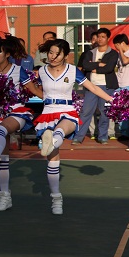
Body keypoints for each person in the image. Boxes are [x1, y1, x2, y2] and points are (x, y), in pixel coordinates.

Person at [34, 39, 113, 214]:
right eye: (51, 52)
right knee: (52, 161)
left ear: (65, 56)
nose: (53, 56)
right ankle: (56, 198)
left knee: (60, 130)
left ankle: (51, 141)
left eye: (58, 54)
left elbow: (93, 88)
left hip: (67, 111)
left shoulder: (72, 71)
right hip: (47, 112)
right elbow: (30, 87)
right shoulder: (41, 71)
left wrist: (112, 100)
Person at [0, 36, 44, 211]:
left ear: (7, 54)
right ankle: (5, 197)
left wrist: (54, 101)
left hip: (17, 112)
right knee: (3, 160)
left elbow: (34, 90)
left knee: (0, 130)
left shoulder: (18, 70)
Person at [71, 28, 118, 145]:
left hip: (107, 87)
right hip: (91, 86)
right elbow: (85, 65)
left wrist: (94, 68)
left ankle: (103, 137)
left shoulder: (113, 53)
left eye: (103, 37)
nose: (100, 39)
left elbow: (109, 68)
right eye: (98, 37)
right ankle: (78, 137)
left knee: (104, 112)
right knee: (85, 112)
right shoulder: (89, 53)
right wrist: (99, 64)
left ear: (108, 38)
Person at [112, 34, 129, 151]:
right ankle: (126, 134)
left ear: (122, 43)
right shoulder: (118, 55)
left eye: (117, 45)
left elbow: (126, 61)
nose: (116, 48)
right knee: (124, 112)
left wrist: (121, 51)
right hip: (121, 86)